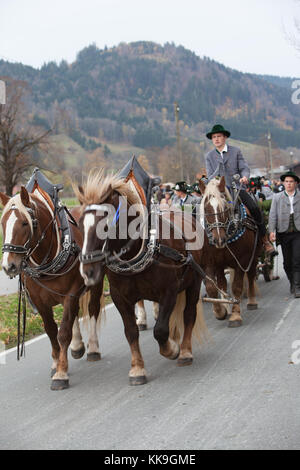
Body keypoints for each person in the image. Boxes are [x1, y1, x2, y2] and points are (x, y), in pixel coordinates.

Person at [205, 123, 277, 256]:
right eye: (214, 137)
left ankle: (265, 241)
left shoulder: (236, 151)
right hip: (218, 191)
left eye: (219, 136)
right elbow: (210, 175)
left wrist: (244, 177)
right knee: (201, 210)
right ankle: (203, 244)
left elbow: (244, 167)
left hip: (236, 187)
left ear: (225, 137)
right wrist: (214, 177)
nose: (216, 139)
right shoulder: (209, 156)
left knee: (254, 208)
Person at [269, 170, 300, 297]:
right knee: (287, 262)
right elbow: (272, 215)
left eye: (291, 181)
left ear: (296, 183)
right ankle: (292, 283)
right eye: (286, 181)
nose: (288, 184)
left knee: (297, 259)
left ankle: (297, 287)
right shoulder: (277, 197)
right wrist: (271, 231)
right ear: (283, 183)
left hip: (298, 232)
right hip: (283, 232)